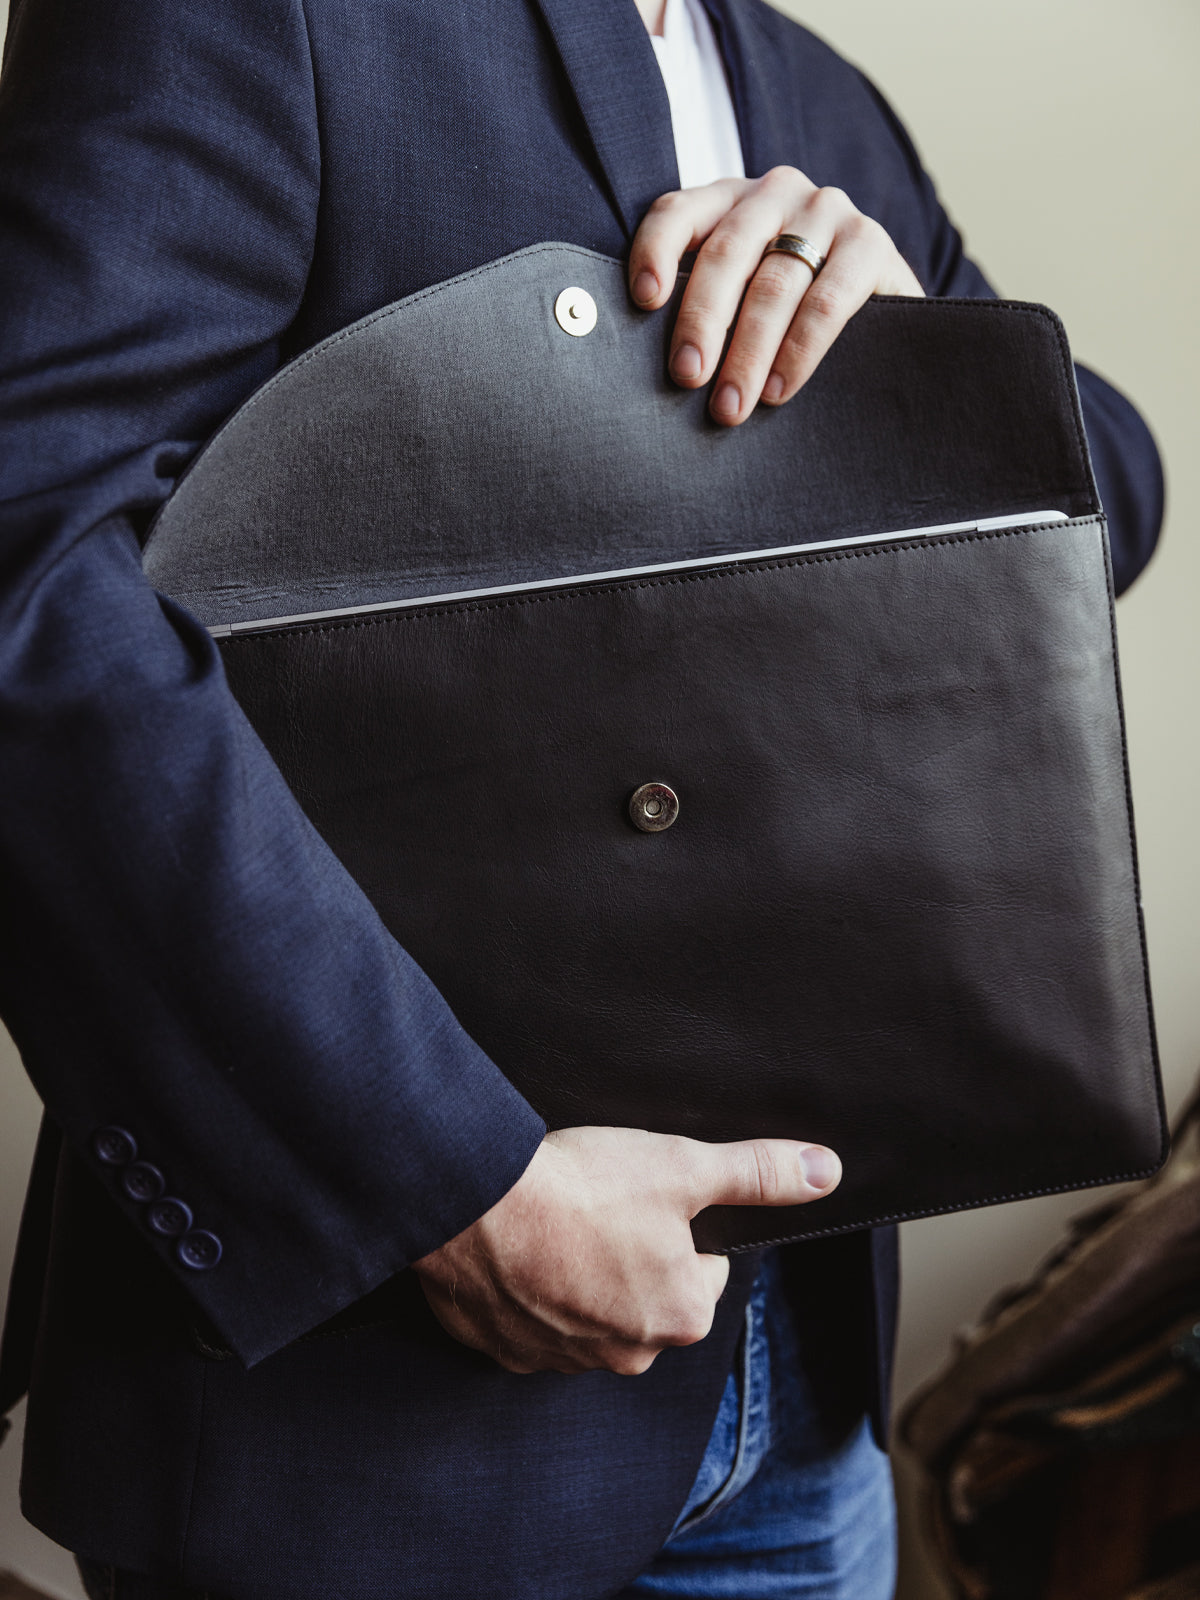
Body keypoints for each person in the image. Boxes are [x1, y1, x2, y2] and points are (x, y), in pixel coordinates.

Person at [0, 0, 1163, 1596]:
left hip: (808, 1436)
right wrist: (444, 1182)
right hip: (369, 1447)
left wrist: (919, 347)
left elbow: (1106, 493)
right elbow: (26, 572)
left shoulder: (821, 96)